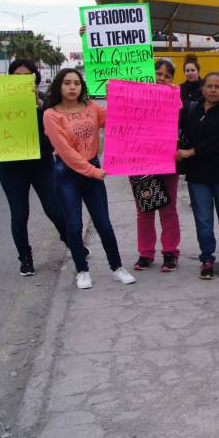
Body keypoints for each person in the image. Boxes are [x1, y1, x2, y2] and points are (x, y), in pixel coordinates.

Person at [0, 59, 68, 276]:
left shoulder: (46, 101)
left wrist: (40, 107)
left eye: (26, 76)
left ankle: (72, 242)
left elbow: (61, 127)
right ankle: (25, 258)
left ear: (35, 78)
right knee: (19, 215)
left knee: (54, 209)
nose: (21, 80)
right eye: (16, 76)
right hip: (11, 168)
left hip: (42, 164)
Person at [43, 68, 136, 289]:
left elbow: (117, 119)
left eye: (76, 83)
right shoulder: (51, 115)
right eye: (67, 83)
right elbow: (66, 152)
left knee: (104, 223)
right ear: (59, 86)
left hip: (92, 169)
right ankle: (82, 270)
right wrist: (94, 172)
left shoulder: (92, 108)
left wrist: (116, 94)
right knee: (74, 226)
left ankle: (117, 267)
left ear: (82, 87)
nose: (72, 87)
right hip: (67, 175)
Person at [177, 72, 219, 279]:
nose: (213, 90)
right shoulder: (191, 111)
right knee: (203, 221)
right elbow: (172, 127)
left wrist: (191, 152)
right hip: (197, 176)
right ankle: (207, 258)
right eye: (209, 86)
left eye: (217, 86)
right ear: (203, 88)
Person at [132, 59, 183, 273]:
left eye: (166, 76)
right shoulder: (134, 96)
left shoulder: (174, 97)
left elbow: (182, 117)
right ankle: (146, 253)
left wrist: (174, 95)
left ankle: (170, 251)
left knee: (167, 208)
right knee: (145, 209)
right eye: (158, 74)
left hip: (166, 160)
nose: (161, 78)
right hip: (139, 161)